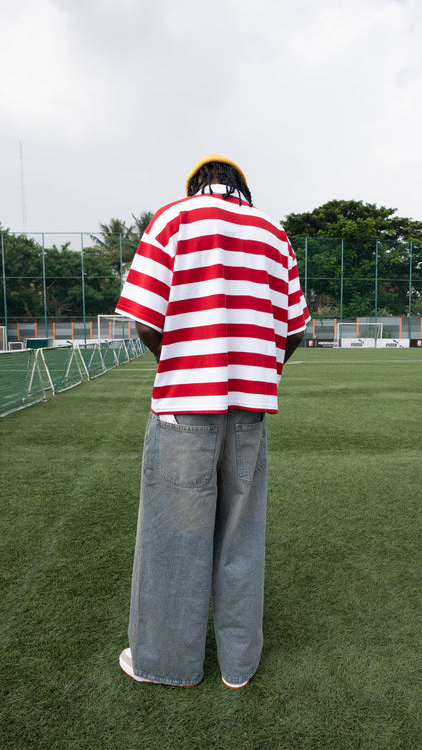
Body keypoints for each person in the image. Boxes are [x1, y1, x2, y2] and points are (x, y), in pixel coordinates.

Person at [115, 154, 310, 688]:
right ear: (241, 188)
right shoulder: (274, 233)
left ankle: (165, 663)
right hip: (249, 411)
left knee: (172, 537)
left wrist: (181, 368)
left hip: (185, 408)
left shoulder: (174, 218)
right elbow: (294, 333)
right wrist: (254, 376)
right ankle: (238, 666)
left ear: (198, 184)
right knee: (241, 536)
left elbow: (143, 318)